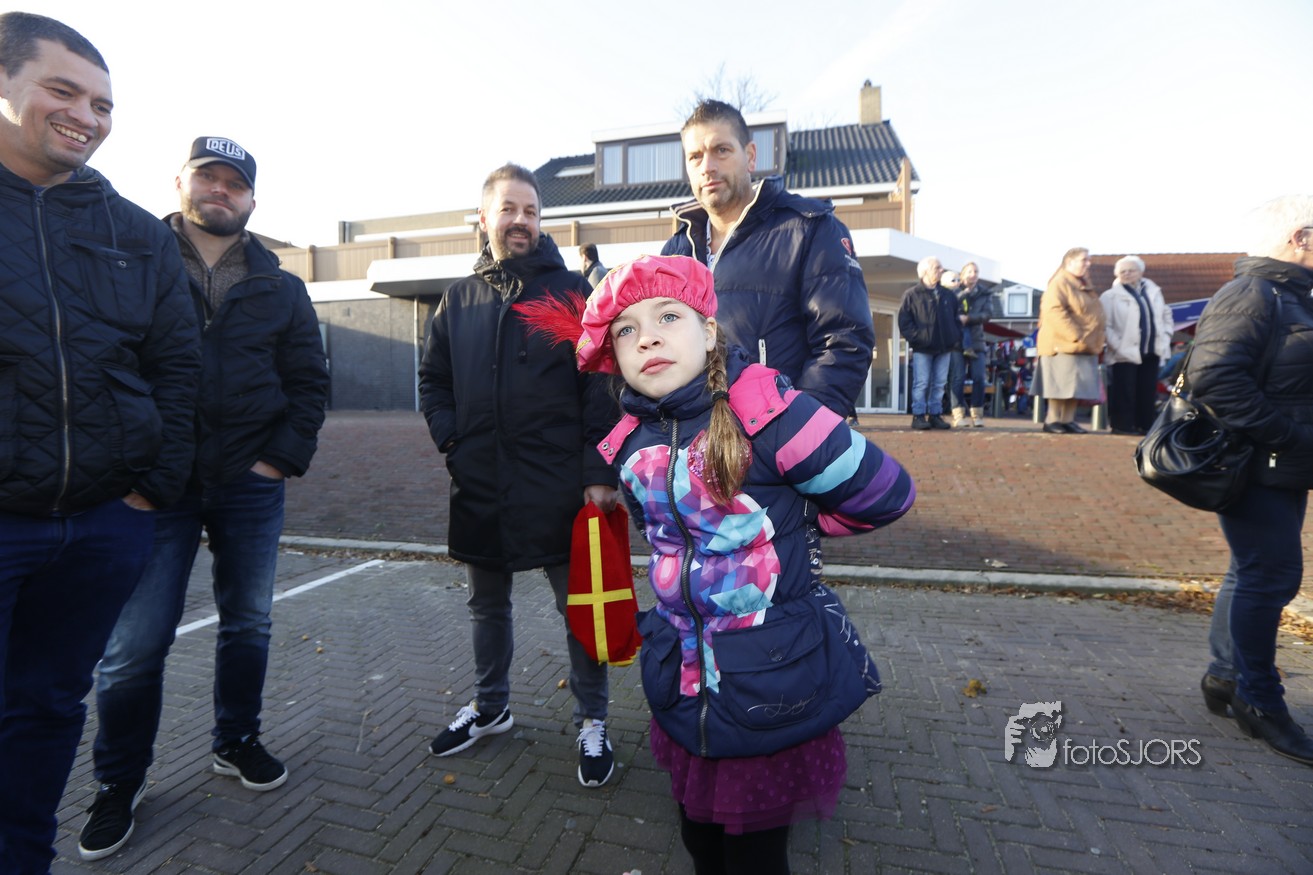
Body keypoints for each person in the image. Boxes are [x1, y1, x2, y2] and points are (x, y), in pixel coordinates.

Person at [563, 255, 914, 875]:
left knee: (755, 855)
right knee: (700, 842)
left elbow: (885, 492)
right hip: (683, 678)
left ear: (708, 332)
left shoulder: (769, 413)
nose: (647, 338)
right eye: (626, 330)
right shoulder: (631, 442)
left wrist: (802, 526)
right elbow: (664, 539)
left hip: (768, 679)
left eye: (668, 317)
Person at [76, 137, 330, 861]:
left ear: (251, 198)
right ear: (180, 182)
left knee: (248, 622)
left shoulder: (280, 285)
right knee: (133, 646)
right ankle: (119, 779)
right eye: (207, 177)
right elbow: (100, 365)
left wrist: (277, 461)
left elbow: (308, 380)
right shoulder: (132, 260)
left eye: (234, 183)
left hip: (249, 484)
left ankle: (236, 739)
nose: (221, 190)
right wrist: (130, 470)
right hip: (154, 487)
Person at [0, 13, 202, 873]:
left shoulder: (137, 233)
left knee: (48, 709)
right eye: (64, 90)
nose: (87, 115)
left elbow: (177, 368)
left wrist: (147, 490)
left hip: (102, 527)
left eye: (104, 104)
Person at [417, 163, 620, 787]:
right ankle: (491, 707)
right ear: (484, 218)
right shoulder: (458, 300)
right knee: (486, 606)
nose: (521, 221)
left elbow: (600, 385)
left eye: (531, 211)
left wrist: (597, 470)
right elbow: (434, 381)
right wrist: (454, 442)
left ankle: (593, 720)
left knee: (579, 608)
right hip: (481, 482)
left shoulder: (572, 294)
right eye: (509, 209)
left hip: (559, 485)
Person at [1193, 194, 1313, 766]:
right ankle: (1259, 701)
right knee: (1272, 575)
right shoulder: (1253, 293)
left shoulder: (1290, 295)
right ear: (1300, 237)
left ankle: (1225, 676)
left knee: (1253, 571)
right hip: (1258, 463)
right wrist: (1288, 436)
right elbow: (1215, 377)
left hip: (1281, 464)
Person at [661, 99, 875, 419]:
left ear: (750, 156)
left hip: (778, 440)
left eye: (721, 150)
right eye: (695, 156)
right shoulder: (674, 253)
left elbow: (844, 341)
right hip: (694, 440)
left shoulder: (809, 229)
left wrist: (798, 430)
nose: (707, 166)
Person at [1100, 256, 1173, 435]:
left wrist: (1165, 336)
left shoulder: (1154, 291)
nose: (1127, 274)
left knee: (1147, 391)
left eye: (1131, 270)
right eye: (1122, 271)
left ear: (1141, 272)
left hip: (1152, 349)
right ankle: (1122, 426)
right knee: (1124, 391)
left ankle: (1145, 425)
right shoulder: (1110, 296)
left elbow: (1166, 314)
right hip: (1124, 352)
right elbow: (1105, 325)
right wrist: (1118, 346)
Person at [1035, 248, 1105, 434]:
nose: (1088, 264)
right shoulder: (1059, 283)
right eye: (1084, 260)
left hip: (1082, 345)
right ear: (1069, 262)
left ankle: (1067, 420)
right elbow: (1054, 311)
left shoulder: (1084, 285)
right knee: (1060, 384)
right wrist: (1076, 335)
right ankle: (1052, 419)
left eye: (1089, 260)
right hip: (1062, 344)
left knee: (1075, 386)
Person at [898, 256, 959, 430]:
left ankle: (935, 414)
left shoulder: (948, 295)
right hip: (922, 348)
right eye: (937, 267)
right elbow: (904, 322)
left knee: (939, 383)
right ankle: (918, 415)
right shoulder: (912, 295)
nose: (941, 270)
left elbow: (956, 319)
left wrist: (954, 337)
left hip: (944, 347)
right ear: (925, 271)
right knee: (922, 382)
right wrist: (919, 338)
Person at [949, 262, 996, 427]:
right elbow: (948, 311)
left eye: (976, 271)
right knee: (957, 377)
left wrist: (969, 318)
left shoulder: (985, 293)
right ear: (962, 274)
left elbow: (988, 314)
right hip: (957, 339)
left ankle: (977, 414)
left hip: (977, 340)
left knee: (979, 378)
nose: (973, 274)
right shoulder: (954, 291)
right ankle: (958, 414)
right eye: (969, 271)